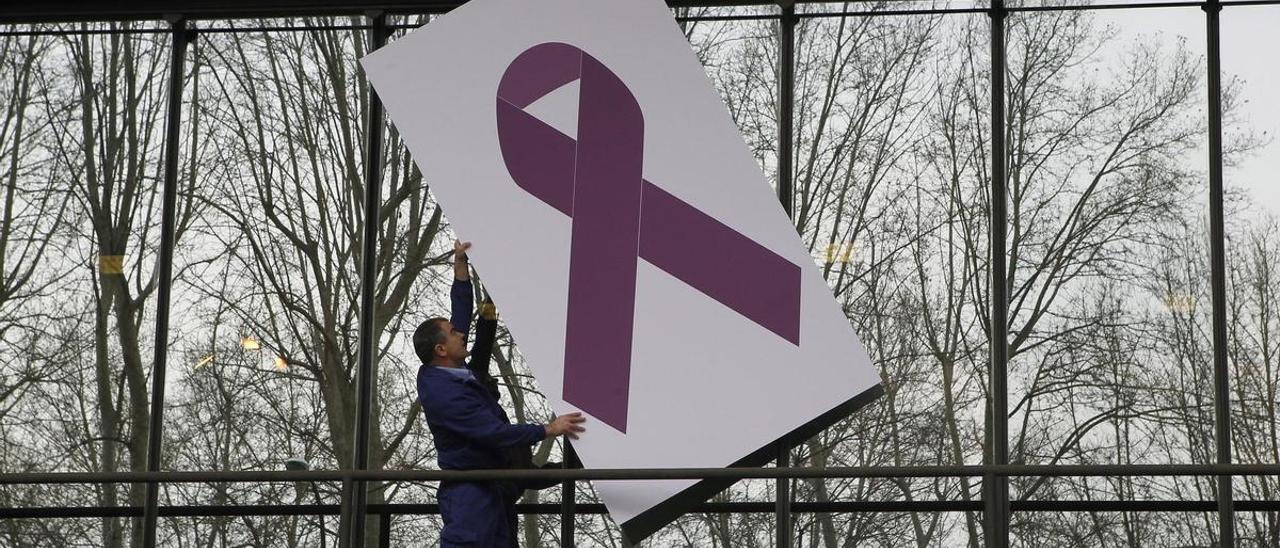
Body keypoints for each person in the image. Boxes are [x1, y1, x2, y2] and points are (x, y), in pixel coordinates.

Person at [415, 240, 585, 547]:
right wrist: (549, 429)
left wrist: (460, 267)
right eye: (454, 333)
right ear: (441, 350)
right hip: (472, 492)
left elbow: (461, 315)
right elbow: (493, 433)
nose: (461, 332)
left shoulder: (451, 369)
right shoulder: (445, 393)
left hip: (492, 488)